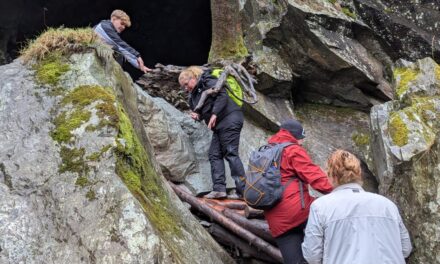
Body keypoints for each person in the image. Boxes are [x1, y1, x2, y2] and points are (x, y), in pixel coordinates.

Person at [302, 149, 412, 264]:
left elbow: (312, 255)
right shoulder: (388, 205)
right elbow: (405, 249)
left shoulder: (320, 207)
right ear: (359, 173)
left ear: (331, 176)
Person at [264, 119, 333, 264]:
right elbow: (314, 176)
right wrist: (338, 191)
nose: (301, 142)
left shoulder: (265, 152)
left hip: (275, 219)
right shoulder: (292, 150)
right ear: (293, 136)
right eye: (300, 138)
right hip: (299, 213)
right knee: (331, 248)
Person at [178, 66, 245, 199]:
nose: (186, 88)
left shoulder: (207, 81)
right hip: (220, 125)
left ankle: (243, 191)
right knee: (214, 154)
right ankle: (219, 189)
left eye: (186, 84)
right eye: (183, 87)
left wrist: (214, 114)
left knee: (231, 153)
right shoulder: (196, 93)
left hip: (229, 118)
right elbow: (204, 111)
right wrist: (198, 116)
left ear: (193, 77)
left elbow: (222, 95)